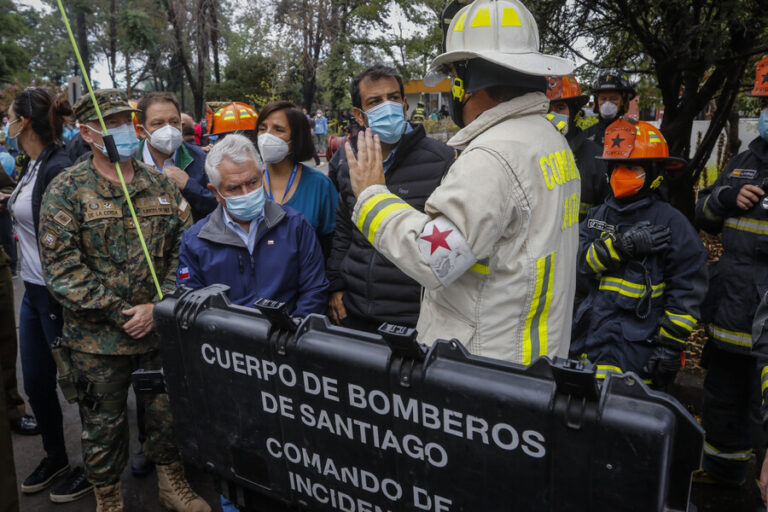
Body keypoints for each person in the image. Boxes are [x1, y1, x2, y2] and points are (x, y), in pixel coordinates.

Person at [345, 0, 579, 362]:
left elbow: (433, 259)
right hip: (532, 354)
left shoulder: (493, 155)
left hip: (485, 365)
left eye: (454, 74)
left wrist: (373, 197)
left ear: (468, 82)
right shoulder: (549, 141)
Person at [38, 88, 210, 512]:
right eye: (110, 123)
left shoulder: (160, 185)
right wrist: (119, 312)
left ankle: (172, 484)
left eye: (126, 122)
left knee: (166, 416)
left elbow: (185, 251)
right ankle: (108, 499)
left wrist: (159, 306)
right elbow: (61, 270)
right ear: (86, 132)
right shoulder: (67, 189)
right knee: (102, 427)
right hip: (98, 342)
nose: (122, 131)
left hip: (157, 332)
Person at [4, 87, 98, 503]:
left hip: (58, 294)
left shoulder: (59, 165)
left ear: (23, 122)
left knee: (80, 385)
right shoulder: (33, 162)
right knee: (38, 383)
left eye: (7, 115)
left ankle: (97, 466)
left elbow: (69, 227)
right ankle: (56, 456)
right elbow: (32, 210)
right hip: (33, 290)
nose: (3, 122)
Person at [570, 119, 706, 385]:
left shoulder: (671, 223)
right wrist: (620, 247)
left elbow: (688, 288)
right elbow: (577, 262)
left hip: (640, 350)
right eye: (616, 167)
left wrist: (670, 344)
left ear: (654, 172)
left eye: (631, 167)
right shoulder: (598, 215)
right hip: (592, 338)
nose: (621, 174)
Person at [327, 64, 454, 333]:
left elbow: (447, 242)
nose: (388, 106)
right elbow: (343, 231)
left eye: (393, 98)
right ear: (359, 115)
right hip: (356, 309)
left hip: (413, 316)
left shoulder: (441, 160)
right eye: (375, 101)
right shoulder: (348, 160)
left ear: (405, 104)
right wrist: (336, 285)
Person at [695, 55, 768, 487]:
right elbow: (703, 212)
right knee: (722, 400)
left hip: (764, 324)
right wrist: (724, 198)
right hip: (727, 315)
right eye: (764, 100)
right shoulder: (743, 160)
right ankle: (721, 477)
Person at [256, 101, 337, 257]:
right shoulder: (246, 184)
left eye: (278, 129)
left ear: (296, 138)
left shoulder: (319, 185)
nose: (266, 136)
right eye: (262, 129)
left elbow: (331, 243)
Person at [136, 92, 216, 222]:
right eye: (158, 123)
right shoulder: (128, 162)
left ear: (181, 126)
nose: (168, 129)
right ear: (141, 131)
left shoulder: (202, 160)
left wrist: (189, 186)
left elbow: (220, 207)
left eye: (174, 122)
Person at [546, 75, 608, 220]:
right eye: (546, 109)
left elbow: (606, 215)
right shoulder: (530, 155)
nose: (551, 115)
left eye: (560, 107)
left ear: (575, 113)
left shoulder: (598, 159)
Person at [583, 69, 636, 147]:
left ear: (623, 102)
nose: (607, 103)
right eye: (603, 99)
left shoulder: (634, 131)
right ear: (596, 101)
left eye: (613, 98)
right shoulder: (586, 132)